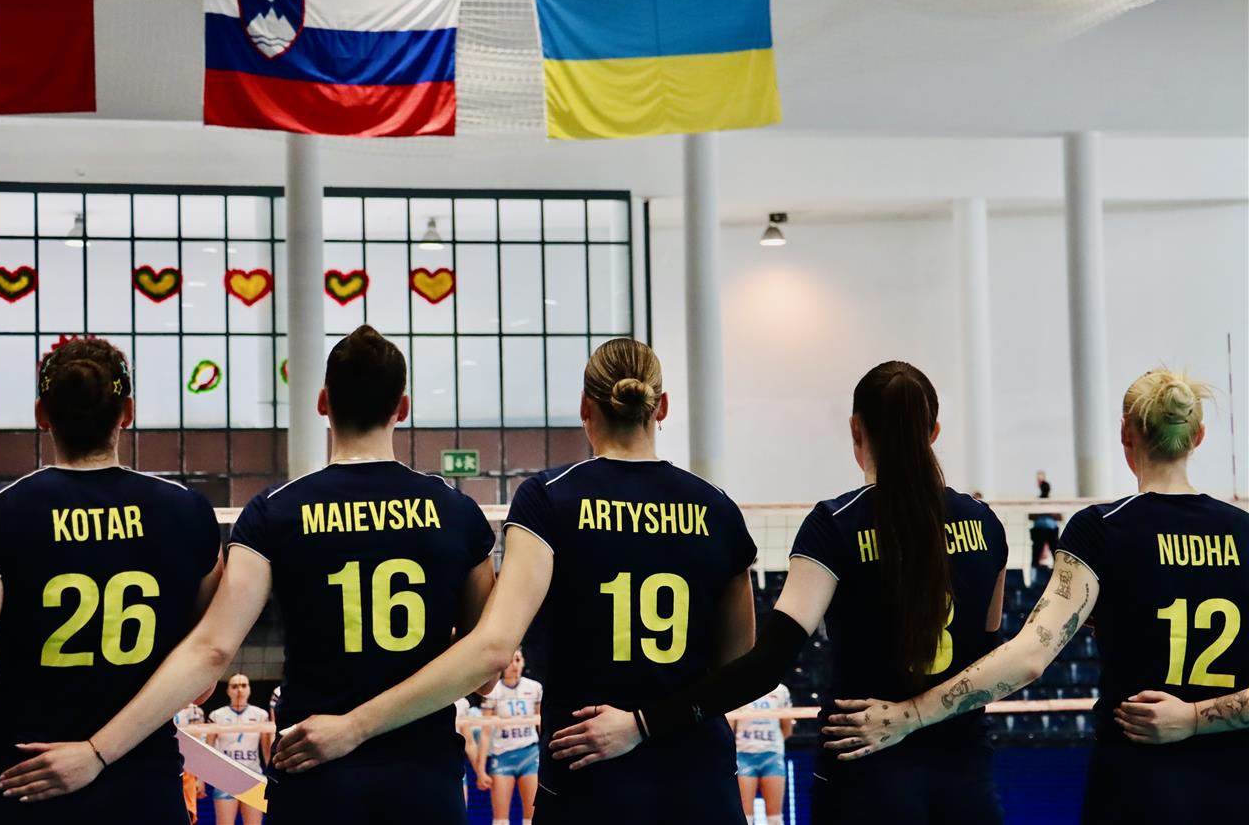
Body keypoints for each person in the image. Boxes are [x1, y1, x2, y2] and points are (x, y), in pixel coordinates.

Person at [0, 325, 497, 825]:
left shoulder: (276, 512)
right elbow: (486, 674)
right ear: (402, 408)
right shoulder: (457, 512)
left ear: (322, 402)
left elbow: (213, 649)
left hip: (313, 773)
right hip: (426, 780)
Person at [266, 338, 758, 825]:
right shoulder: (718, 509)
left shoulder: (551, 499)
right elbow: (740, 672)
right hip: (699, 781)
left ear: (585, 407)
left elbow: (493, 649)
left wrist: (354, 725)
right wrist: (645, 725)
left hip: (587, 777)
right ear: (661, 406)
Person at [545, 361, 1009, 825]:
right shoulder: (986, 525)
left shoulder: (836, 526)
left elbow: (765, 665)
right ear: (934, 432)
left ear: (856, 428)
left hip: (865, 772)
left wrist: (641, 724)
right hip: (966, 778)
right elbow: (988, 659)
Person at [820, 368, 1249, 824]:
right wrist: (1195, 717)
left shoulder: (1103, 530)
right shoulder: (1244, 531)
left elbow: (1029, 656)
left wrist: (910, 714)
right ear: (1198, 435)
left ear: (1126, 432)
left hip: (1138, 788)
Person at [0, 338, 222, 821]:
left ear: (42, 415)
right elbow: (201, 682)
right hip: (142, 784)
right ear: (127, 413)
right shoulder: (187, 510)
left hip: (18, 777)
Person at [477, 649, 542, 825]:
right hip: (502, 756)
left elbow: (541, 726)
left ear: (524, 662)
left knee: (532, 817)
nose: (514, 665)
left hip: (529, 755)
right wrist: (480, 770)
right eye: (510, 661)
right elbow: (485, 732)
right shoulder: (493, 691)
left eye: (518, 660)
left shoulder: (534, 688)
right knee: (500, 819)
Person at [206, 674, 271, 825]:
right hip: (226, 779)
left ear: (249, 689)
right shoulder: (216, 715)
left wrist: (272, 775)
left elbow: (266, 749)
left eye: (243, 685)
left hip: (253, 778)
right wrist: (202, 780)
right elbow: (208, 750)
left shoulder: (261, 715)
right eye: (234, 686)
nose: (239, 690)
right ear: (228, 691)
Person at [730, 683, 794, 825]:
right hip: (744, 756)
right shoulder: (738, 687)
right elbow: (729, 728)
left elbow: (787, 729)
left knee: (775, 819)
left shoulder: (781, 690)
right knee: (745, 818)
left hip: (772, 756)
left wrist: (770, 744)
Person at [173, 700, 209, 824]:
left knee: (188, 815)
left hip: (187, 770)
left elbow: (200, 745)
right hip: (163, 766)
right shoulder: (160, 706)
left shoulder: (194, 710)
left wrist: (200, 778)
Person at [456, 697, 486, 806]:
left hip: (455, 768)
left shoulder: (461, 703)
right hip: (426, 767)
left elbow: (469, 742)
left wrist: (480, 773)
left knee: (458, 811)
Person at [1029, 471, 1059, 570]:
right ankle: (1034, 575)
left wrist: (1049, 512)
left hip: (1052, 530)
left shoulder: (1053, 501)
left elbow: (1060, 516)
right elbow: (1030, 516)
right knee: (1036, 555)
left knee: (1056, 555)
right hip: (1039, 530)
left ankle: (1057, 573)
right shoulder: (1036, 501)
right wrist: (1042, 512)